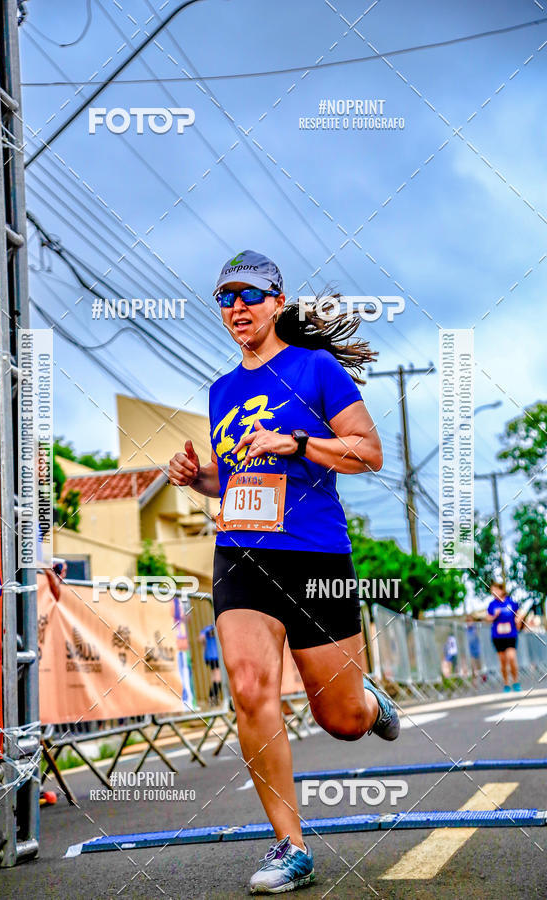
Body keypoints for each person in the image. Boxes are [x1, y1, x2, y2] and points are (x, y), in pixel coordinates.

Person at [168, 250, 399, 894]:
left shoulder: (316, 368)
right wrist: (196, 476)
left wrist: (297, 442)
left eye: (249, 295)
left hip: (315, 554)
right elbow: (234, 478)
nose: (236, 307)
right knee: (248, 688)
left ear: (276, 302)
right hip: (242, 552)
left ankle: (369, 700)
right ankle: (290, 846)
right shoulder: (222, 390)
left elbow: (368, 452)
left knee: (342, 720)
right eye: (225, 297)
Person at [486, 581, 523, 692]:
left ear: (501, 590)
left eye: (495, 590)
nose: (493, 592)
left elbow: (519, 613)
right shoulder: (492, 605)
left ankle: (515, 682)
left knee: (511, 658)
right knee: (503, 661)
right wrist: (494, 616)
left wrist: (518, 620)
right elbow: (487, 618)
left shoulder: (510, 602)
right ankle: (506, 683)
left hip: (510, 635)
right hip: (498, 636)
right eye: (492, 591)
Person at [199, 623, 222, 705]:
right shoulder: (211, 628)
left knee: (214, 677)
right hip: (214, 657)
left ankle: (212, 698)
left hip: (211, 657)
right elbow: (201, 638)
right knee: (218, 678)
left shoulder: (207, 629)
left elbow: (201, 638)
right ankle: (213, 698)